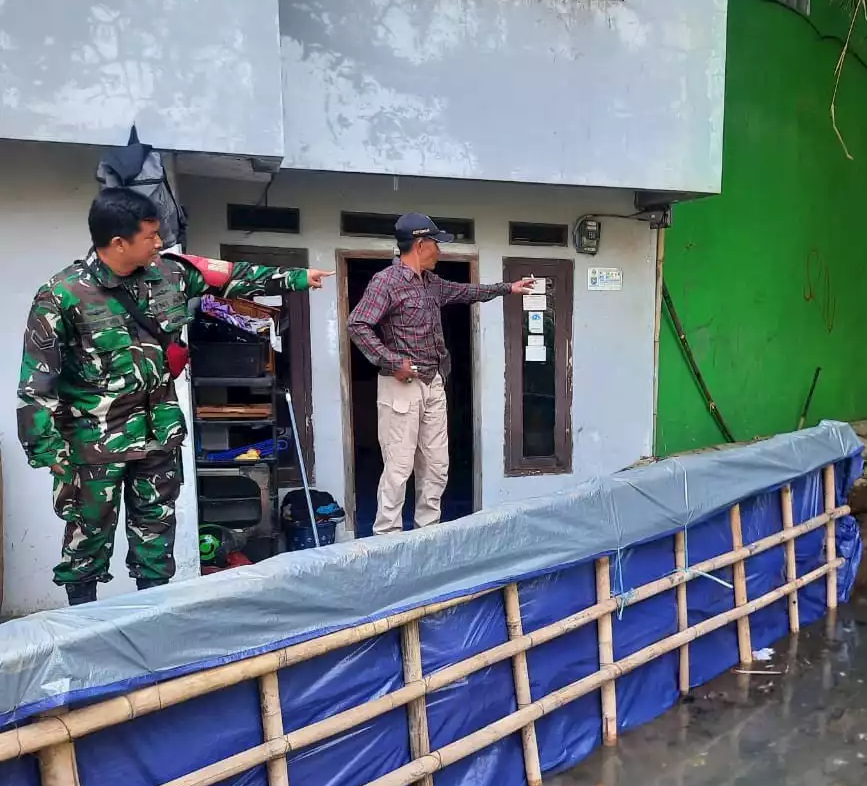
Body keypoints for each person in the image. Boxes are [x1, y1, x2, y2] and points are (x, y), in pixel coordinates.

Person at [17, 189, 330, 605]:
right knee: (86, 546)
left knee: (155, 542)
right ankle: (84, 632)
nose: (159, 242)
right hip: (92, 449)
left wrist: (295, 278)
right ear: (118, 243)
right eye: (150, 236)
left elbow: (231, 276)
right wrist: (51, 454)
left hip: (158, 437)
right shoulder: (62, 295)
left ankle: (151, 623)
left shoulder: (171, 274)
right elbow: (36, 386)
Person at [348, 213, 535, 535]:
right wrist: (392, 362)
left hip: (432, 383)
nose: (441, 251)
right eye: (437, 244)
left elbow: (466, 292)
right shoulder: (386, 282)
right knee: (399, 467)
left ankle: (427, 534)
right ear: (420, 245)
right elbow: (357, 324)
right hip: (401, 386)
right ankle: (386, 539)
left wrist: (509, 288)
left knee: (436, 466)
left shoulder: (430, 283)